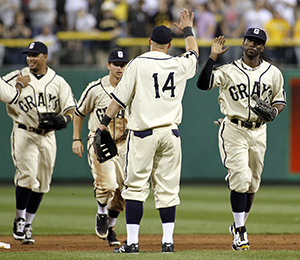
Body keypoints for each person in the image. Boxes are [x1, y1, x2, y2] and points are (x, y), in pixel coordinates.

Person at [98, 9, 199, 253]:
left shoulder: (138, 63)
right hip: (171, 134)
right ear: (170, 44)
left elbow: (119, 100)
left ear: (149, 41)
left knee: (135, 189)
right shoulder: (178, 63)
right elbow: (194, 54)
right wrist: (188, 29)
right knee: (167, 190)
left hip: (143, 133)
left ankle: (132, 242)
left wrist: (103, 123)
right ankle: (167, 242)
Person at [196, 28, 286, 250]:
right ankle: (241, 233)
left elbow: (279, 100)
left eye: (257, 42)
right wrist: (212, 57)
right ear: (243, 43)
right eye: (249, 40)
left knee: (253, 183)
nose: (252, 44)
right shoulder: (228, 70)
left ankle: (238, 226)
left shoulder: (272, 72)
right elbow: (203, 84)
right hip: (234, 128)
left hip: (259, 130)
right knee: (240, 179)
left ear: (262, 47)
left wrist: (274, 112)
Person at [2, 41, 76, 245]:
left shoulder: (58, 81)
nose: (31, 58)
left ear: (46, 56)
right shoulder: (17, 76)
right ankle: (19, 219)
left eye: (35, 55)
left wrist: (64, 120)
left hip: (48, 136)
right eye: (28, 55)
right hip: (24, 132)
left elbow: (71, 108)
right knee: (27, 176)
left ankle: (27, 224)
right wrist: (17, 86)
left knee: (42, 184)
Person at [72, 49, 129, 247]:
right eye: (116, 64)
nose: (119, 68)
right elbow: (79, 113)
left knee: (124, 192)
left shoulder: (133, 87)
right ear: (108, 66)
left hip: (124, 143)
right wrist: (76, 139)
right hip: (100, 142)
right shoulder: (95, 88)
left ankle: (111, 228)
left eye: (123, 65)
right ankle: (102, 213)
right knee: (107, 186)